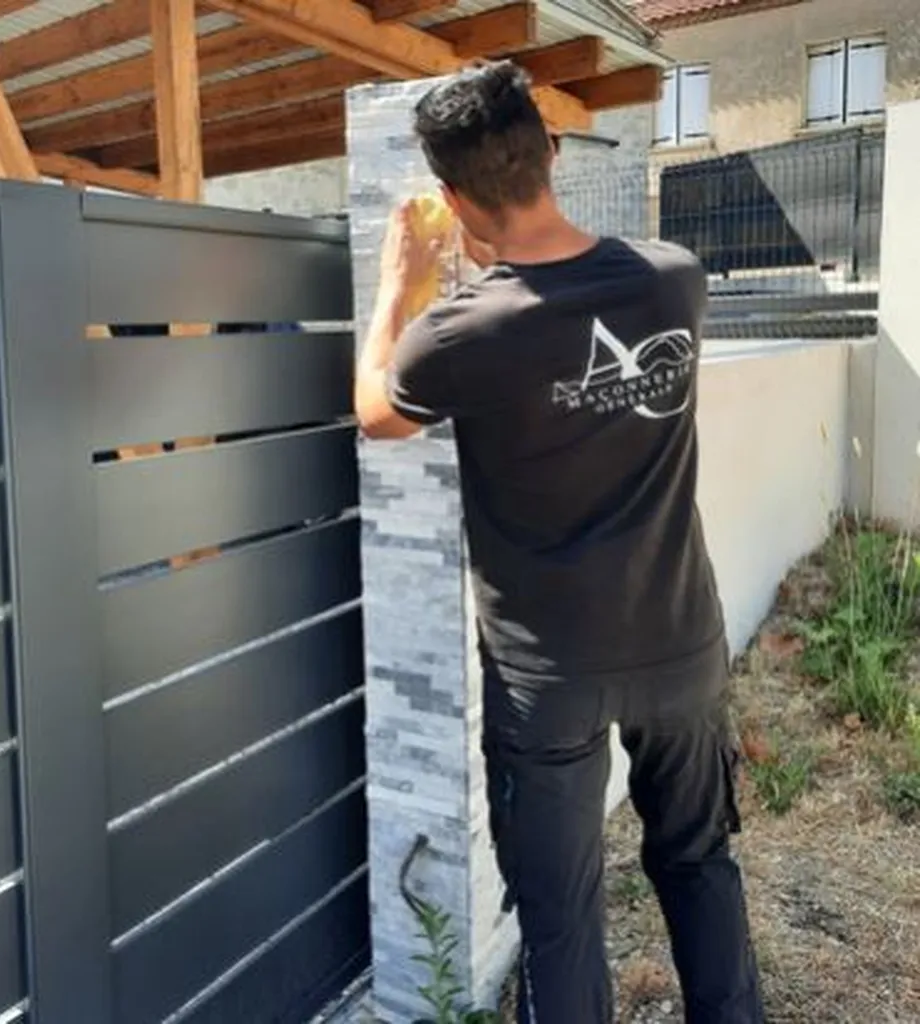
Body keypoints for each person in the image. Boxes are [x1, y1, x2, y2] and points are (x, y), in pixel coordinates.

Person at [354, 61, 764, 1024]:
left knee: (562, 917)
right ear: (551, 150)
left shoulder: (460, 336)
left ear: (454, 196)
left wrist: (398, 284)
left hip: (549, 682)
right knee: (700, 862)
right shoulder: (675, 281)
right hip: (680, 649)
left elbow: (376, 412)